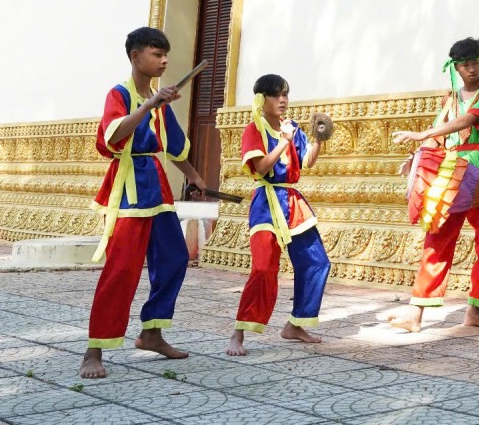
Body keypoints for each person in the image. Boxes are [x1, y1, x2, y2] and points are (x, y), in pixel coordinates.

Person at [81, 27, 206, 379]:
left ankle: (151, 332)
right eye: (156, 53)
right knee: (121, 269)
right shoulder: (119, 94)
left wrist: (194, 176)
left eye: (165, 54)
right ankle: (94, 349)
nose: (164, 60)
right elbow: (113, 135)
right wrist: (150, 104)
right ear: (136, 57)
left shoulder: (159, 101)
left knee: (175, 258)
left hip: (158, 189)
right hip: (128, 190)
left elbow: (174, 147)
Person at [383, 37, 479, 332]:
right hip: (453, 173)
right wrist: (415, 158)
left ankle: (475, 310)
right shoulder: (449, 100)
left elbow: (468, 120)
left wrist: (420, 133)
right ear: (455, 67)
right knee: (438, 239)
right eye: (466, 64)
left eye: (476, 61)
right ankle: (416, 312)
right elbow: (437, 139)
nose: (473, 68)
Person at [228, 74, 332, 355]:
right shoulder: (254, 129)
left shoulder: (293, 128)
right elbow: (260, 168)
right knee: (263, 268)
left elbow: (307, 160)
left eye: (285, 94)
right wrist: (284, 142)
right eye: (275, 95)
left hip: (293, 203)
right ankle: (239, 333)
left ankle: (295, 324)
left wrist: (319, 140)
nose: (282, 100)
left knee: (317, 262)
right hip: (266, 203)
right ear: (261, 99)